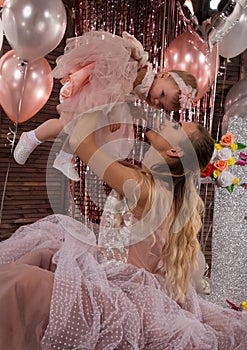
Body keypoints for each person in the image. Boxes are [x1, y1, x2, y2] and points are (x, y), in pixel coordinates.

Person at [0, 112, 246, 350]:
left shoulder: (143, 189)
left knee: (24, 283)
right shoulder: (151, 183)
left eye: (177, 126)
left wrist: (95, 106)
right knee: (40, 256)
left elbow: (80, 142)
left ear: (175, 150)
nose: (170, 122)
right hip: (108, 275)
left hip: (119, 293)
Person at [13, 30, 197, 181]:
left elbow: (125, 96)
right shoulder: (142, 74)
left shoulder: (146, 87)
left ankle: (64, 157)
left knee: (83, 131)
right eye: (162, 95)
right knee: (66, 124)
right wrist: (115, 113)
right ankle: (31, 138)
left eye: (162, 105)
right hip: (96, 94)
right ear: (163, 75)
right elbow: (117, 88)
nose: (157, 101)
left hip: (103, 100)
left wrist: (135, 110)